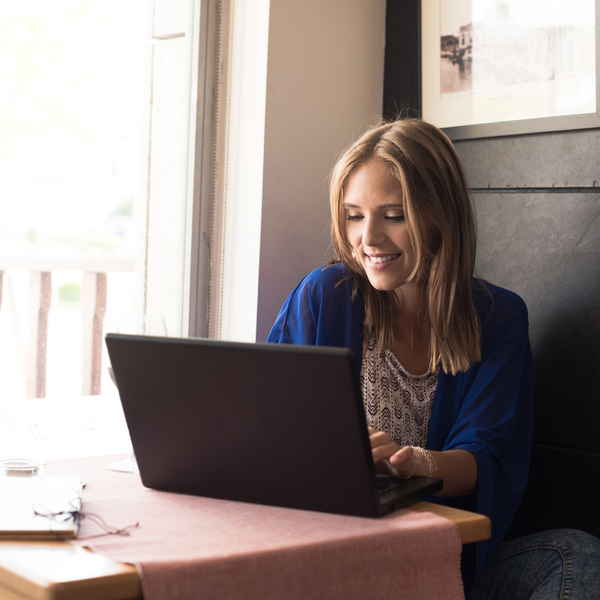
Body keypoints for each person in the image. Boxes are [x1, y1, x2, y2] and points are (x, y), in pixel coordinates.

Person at [267, 118, 600, 598]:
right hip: (332, 552)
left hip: (438, 558)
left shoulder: (497, 317)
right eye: (354, 215)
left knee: (573, 555)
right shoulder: (326, 297)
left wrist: (414, 463)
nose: (369, 239)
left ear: (440, 215)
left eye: (394, 215)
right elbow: (272, 428)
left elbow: (485, 458)